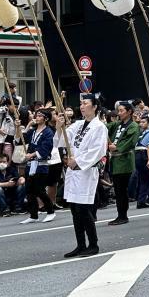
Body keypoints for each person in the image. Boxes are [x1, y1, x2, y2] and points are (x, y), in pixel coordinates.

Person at [61, 93, 109, 257]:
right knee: (74, 209)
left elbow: (98, 150)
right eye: (80, 103)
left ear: (94, 107)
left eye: (85, 103)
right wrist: (59, 126)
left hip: (86, 171)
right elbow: (62, 141)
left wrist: (78, 162)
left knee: (83, 209)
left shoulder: (99, 127)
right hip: (74, 171)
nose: (81, 106)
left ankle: (93, 244)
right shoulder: (78, 124)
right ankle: (80, 244)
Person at [19, 108, 56, 224]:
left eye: (40, 116)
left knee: (40, 190)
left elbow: (45, 148)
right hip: (31, 165)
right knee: (29, 190)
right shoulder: (33, 131)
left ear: (46, 118)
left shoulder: (48, 132)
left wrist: (32, 154)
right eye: (36, 115)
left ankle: (50, 211)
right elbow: (22, 139)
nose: (37, 117)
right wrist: (23, 126)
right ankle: (33, 215)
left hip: (41, 165)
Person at [106, 100, 139, 226]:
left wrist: (117, 148)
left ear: (129, 112)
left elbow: (130, 142)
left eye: (121, 111)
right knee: (118, 189)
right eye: (118, 111)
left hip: (124, 161)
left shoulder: (133, 126)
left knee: (121, 190)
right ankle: (121, 214)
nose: (119, 113)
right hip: (115, 160)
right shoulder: (117, 124)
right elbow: (105, 127)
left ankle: (123, 215)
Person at [133, 112, 149, 210]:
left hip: (139, 155)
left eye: (143, 122)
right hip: (143, 155)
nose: (141, 124)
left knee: (144, 179)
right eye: (141, 122)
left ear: (148, 123)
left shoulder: (144, 133)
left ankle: (142, 200)